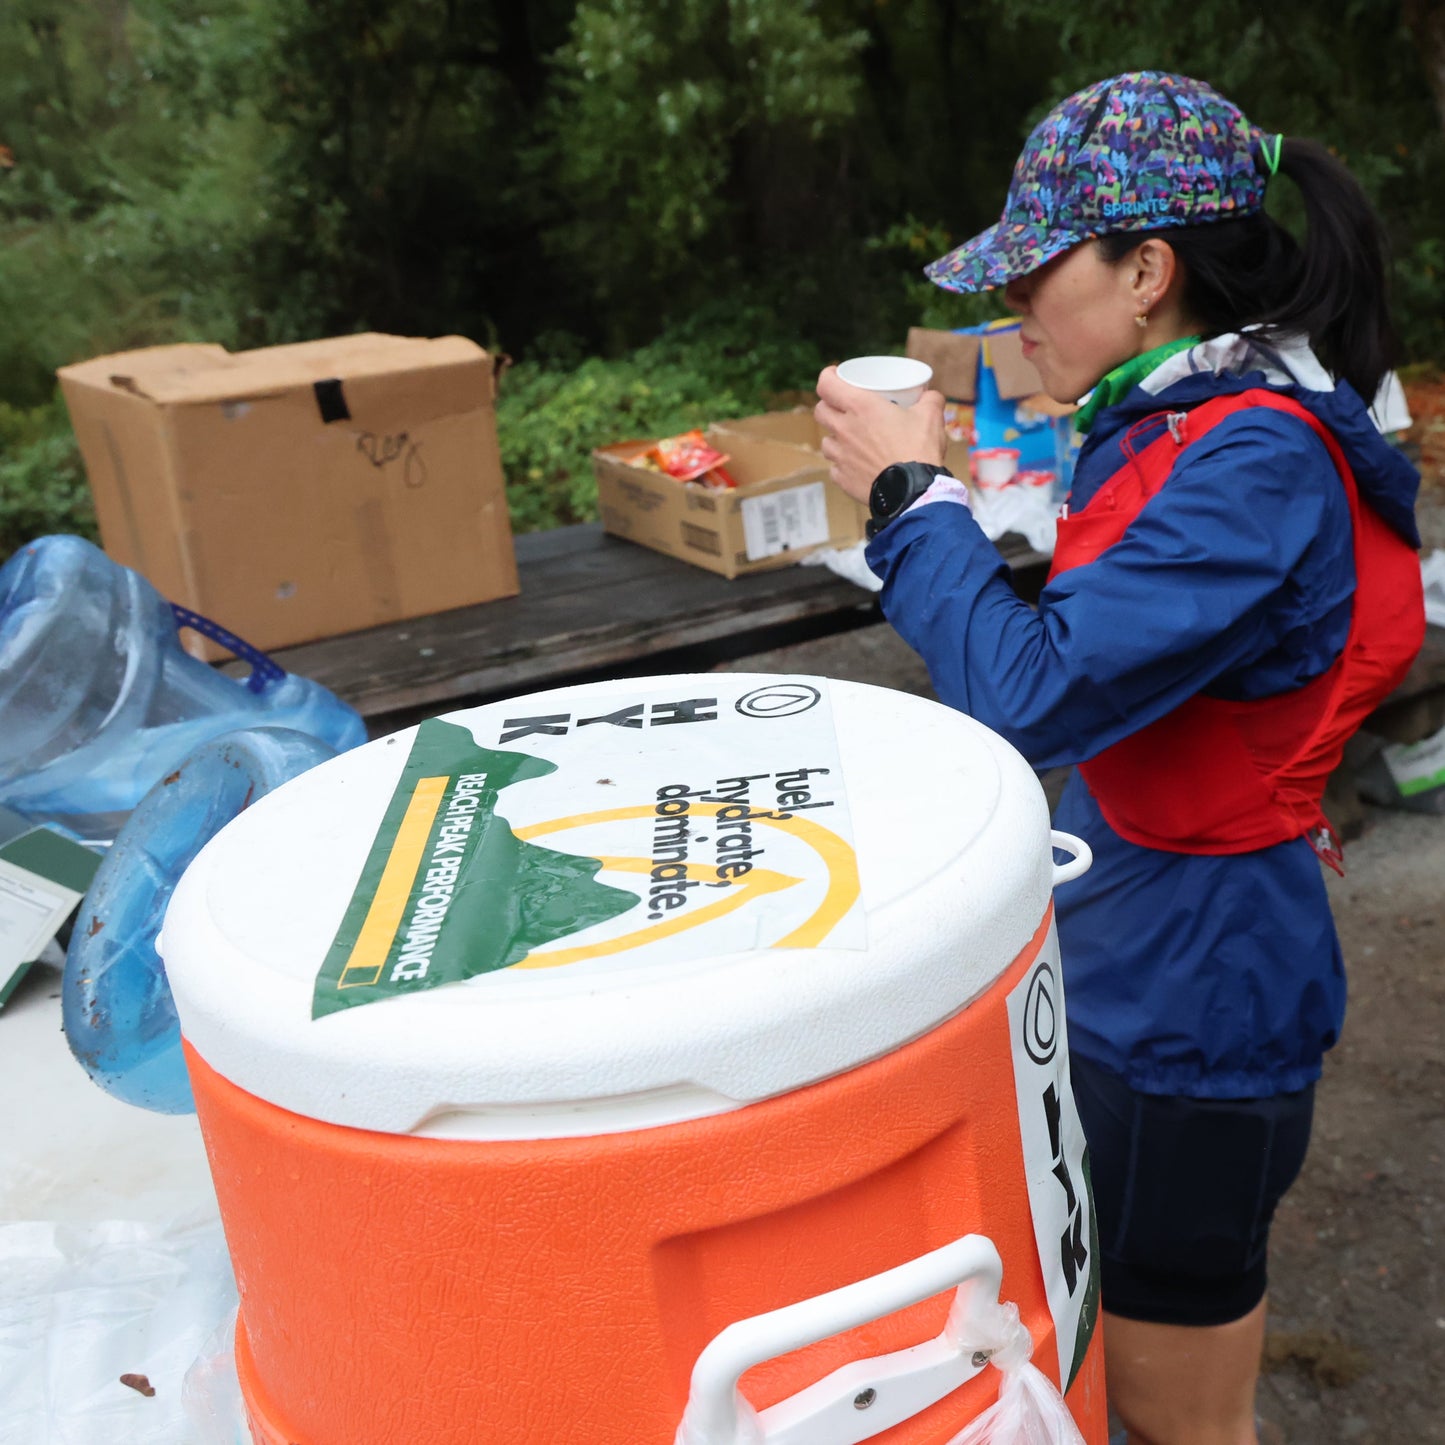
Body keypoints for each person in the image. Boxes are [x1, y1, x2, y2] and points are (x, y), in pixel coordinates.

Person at [814, 71, 1425, 1445]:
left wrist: (915, 500)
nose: (1010, 310)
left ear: (1146, 269)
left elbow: (1025, 690)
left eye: (1033, 273)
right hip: (1141, 938)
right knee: (1123, 1352)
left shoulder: (1251, 455)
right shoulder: (1189, 410)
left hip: (1197, 994)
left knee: (1168, 1412)